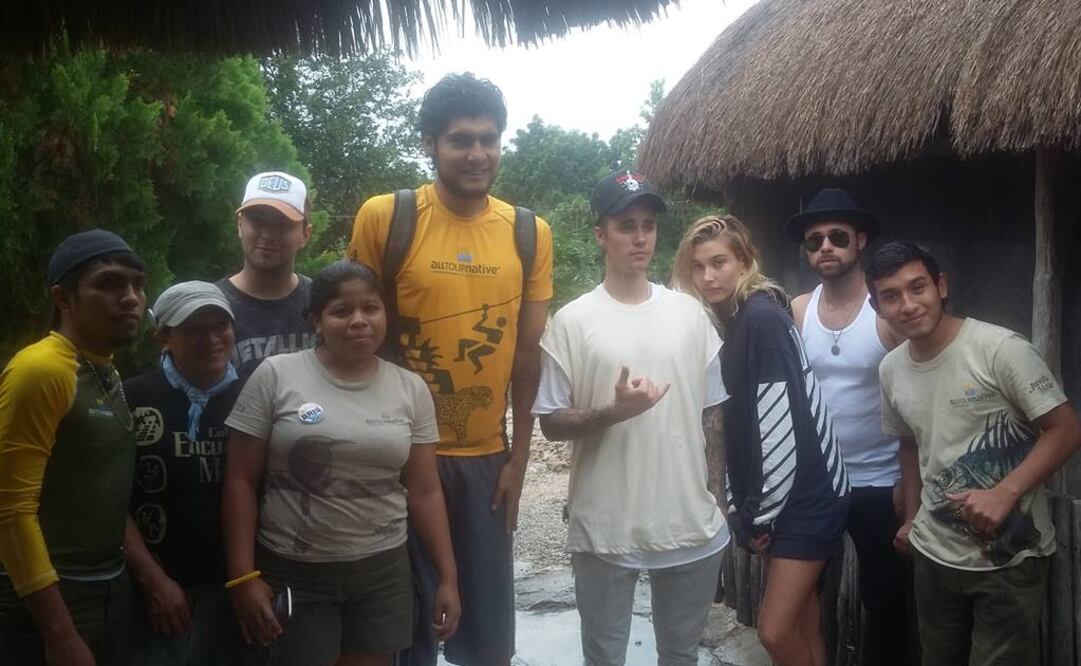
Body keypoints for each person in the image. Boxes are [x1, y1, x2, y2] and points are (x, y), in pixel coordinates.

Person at [347, 72, 552, 666]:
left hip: (486, 461)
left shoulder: (527, 232)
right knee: (406, 632)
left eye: (489, 140)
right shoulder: (388, 218)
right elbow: (358, 334)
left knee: (488, 641)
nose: (477, 154)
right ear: (431, 144)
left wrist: (519, 459)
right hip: (400, 458)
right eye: (460, 140)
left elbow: (526, 354)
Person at [222, 261, 460, 666]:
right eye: (341, 311)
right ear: (316, 320)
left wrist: (448, 578)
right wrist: (243, 577)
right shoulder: (276, 375)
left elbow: (424, 490)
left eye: (371, 308)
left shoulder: (410, 388)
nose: (359, 321)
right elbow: (240, 481)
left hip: (381, 571)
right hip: (295, 570)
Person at [533, 172, 728, 666]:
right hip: (604, 525)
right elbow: (551, 423)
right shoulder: (572, 321)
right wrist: (613, 413)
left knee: (681, 655)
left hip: (688, 522)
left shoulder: (691, 315)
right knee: (604, 657)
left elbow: (713, 418)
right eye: (625, 226)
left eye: (648, 225)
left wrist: (717, 501)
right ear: (600, 233)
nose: (640, 237)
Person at [866, 241, 1081, 666]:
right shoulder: (891, 368)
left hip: (1009, 558)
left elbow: (1066, 429)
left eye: (918, 287)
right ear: (877, 306)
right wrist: (911, 517)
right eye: (891, 296)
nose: (908, 304)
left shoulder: (1000, 349)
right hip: (933, 554)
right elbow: (908, 444)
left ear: (941, 286)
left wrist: (1005, 492)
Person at [672, 215, 849, 666]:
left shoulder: (762, 320)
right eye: (698, 266)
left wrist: (758, 516)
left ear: (744, 261)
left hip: (804, 494)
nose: (708, 276)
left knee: (773, 631)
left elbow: (779, 423)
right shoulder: (735, 320)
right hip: (785, 492)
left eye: (719, 263)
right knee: (803, 619)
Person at [0, 229, 147, 665]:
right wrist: (60, 634)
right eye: (109, 283)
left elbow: (97, 489)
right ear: (63, 299)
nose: (131, 297)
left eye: (138, 284)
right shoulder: (42, 369)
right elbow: (10, 509)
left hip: (107, 586)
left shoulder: (104, 370)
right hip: (46, 599)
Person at [787, 188, 911, 665]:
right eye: (814, 239)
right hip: (816, 482)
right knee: (804, 598)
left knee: (886, 602)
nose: (825, 248)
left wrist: (910, 479)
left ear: (860, 241)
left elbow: (916, 391)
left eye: (837, 237)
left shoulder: (886, 313)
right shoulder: (797, 311)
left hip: (880, 483)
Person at [123, 281, 244, 665]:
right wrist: (151, 579)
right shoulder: (133, 398)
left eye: (219, 326)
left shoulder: (258, 395)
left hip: (237, 587)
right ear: (163, 337)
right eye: (193, 329)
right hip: (160, 591)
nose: (210, 339)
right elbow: (109, 500)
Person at [217, 170, 315, 377]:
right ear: (240, 225)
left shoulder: (323, 304)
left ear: (305, 235)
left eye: (282, 225)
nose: (268, 235)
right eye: (257, 221)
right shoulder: (211, 306)